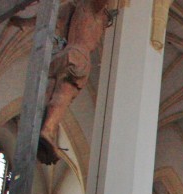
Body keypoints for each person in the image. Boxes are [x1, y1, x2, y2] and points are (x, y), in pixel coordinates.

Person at [12, 0, 112, 164]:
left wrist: (22, 22)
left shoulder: (71, 8)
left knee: (48, 95)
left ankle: (35, 132)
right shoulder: (94, 8)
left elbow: (44, 18)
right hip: (78, 55)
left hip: (63, 54)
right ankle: (48, 130)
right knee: (63, 95)